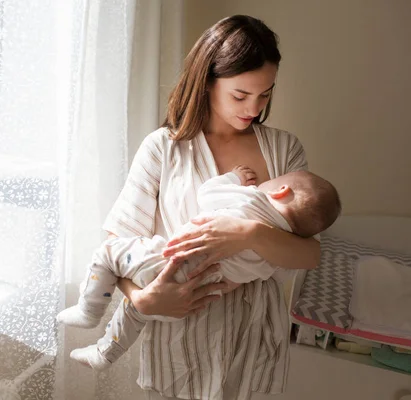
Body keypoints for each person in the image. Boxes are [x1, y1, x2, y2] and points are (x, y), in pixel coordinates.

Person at [96, 15, 321, 400]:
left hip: (253, 340)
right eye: (240, 95)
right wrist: (143, 299)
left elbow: (309, 253)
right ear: (208, 81)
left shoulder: (284, 150)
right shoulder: (163, 148)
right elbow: (118, 244)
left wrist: (246, 234)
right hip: (177, 336)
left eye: (265, 94)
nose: (253, 107)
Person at [57, 165, 340, 371]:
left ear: (281, 190)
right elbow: (272, 271)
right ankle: (105, 353)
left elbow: (208, 193)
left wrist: (236, 178)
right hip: (198, 293)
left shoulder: (252, 199)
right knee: (136, 312)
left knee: (108, 252)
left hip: (169, 260)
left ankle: (89, 309)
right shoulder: (278, 252)